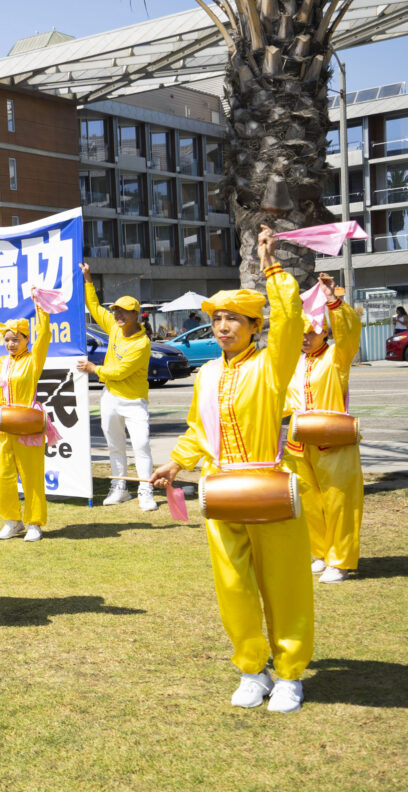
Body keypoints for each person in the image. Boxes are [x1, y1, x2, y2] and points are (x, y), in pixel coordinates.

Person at [151, 225, 312, 714]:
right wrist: (177, 462)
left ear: (253, 326)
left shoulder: (271, 364)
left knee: (283, 582)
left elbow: (289, 322)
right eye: (218, 318)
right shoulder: (206, 374)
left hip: (268, 488)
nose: (223, 327)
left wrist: (273, 267)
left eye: (234, 319)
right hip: (220, 491)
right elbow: (199, 430)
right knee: (233, 584)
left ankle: (289, 675)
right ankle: (251, 667)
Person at [284, 274, 363, 584]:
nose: (305, 337)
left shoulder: (336, 358)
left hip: (333, 441)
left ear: (325, 331)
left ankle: (340, 561)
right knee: (310, 503)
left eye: (311, 331)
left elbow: (349, 333)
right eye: (301, 332)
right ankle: (319, 552)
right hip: (299, 444)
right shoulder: (295, 362)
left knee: (339, 501)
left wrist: (333, 300)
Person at [77, 266, 157, 512]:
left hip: (134, 401)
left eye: (124, 311)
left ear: (136, 314)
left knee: (141, 445)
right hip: (110, 397)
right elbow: (93, 306)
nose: (118, 315)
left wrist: (94, 369)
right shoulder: (113, 326)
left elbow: (121, 372)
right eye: (116, 310)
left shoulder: (141, 343)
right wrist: (88, 278)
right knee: (115, 445)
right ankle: (120, 487)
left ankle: (145, 490)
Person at [0, 293, 51, 542]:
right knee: (3, 475)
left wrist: (39, 307)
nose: (11, 344)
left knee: (31, 474)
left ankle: (34, 523)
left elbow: (44, 336)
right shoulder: (0, 363)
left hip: (27, 424)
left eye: (16, 339)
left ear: (25, 340)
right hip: (2, 426)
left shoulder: (33, 360)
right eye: (7, 340)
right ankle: (13, 521)